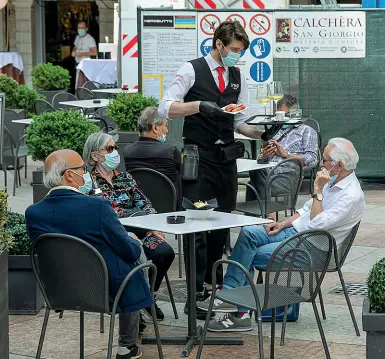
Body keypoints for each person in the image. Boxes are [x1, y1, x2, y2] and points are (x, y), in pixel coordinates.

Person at [198, 138, 365, 332]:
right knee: (249, 233)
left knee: (248, 254)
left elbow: (315, 223)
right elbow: (306, 210)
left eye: (325, 160)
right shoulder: (334, 178)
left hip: (312, 249)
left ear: (339, 165)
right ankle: (231, 297)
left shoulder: (350, 196)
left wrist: (317, 190)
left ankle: (239, 312)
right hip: (296, 232)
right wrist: (282, 223)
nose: (321, 163)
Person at [158, 20, 263, 319]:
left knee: (221, 224)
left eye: (241, 51)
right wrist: (198, 106)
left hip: (225, 159)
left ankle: (210, 287)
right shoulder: (192, 69)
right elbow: (165, 106)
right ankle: (194, 296)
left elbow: (239, 121)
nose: (237, 55)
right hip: (198, 157)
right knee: (197, 227)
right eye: (233, 49)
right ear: (218, 44)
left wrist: (265, 132)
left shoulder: (237, 75)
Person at [25, 149, 149, 359]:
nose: (87, 173)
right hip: (106, 289)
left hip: (60, 289)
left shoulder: (33, 213)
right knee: (137, 260)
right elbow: (128, 251)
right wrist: (134, 242)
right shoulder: (98, 206)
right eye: (82, 168)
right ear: (69, 175)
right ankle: (127, 344)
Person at [83, 132, 175, 322]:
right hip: (114, 237)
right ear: (94, 155)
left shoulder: (125, 178)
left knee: (165, 252)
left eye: (115, 147)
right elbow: (103, 216)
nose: (114, 152)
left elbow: (146, 205)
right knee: (131, 257)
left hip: (140, 230)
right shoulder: (88, 183)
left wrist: (153, 226)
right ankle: (135, 306)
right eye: (109, 149)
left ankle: (148, 296)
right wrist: (133, 218)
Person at [247, 95, 319, 202]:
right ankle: (264, 214)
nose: (280, 119)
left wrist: (286, 154)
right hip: (266, 173)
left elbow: (312, 160)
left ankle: (263, 215)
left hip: (287, 177)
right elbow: (260, 158)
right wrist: (264, 156)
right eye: (278, 115)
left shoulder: (306, 131)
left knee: (253, 182)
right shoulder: (273, 130)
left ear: (294, 113)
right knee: (255, 175)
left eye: (284, 115)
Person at [124, 106, 181, 205]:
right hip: (169, 206)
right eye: (165, 125)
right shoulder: (170, 151)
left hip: (139, 205)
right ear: (155, 128)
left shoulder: (127, 151)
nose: (167, 130)